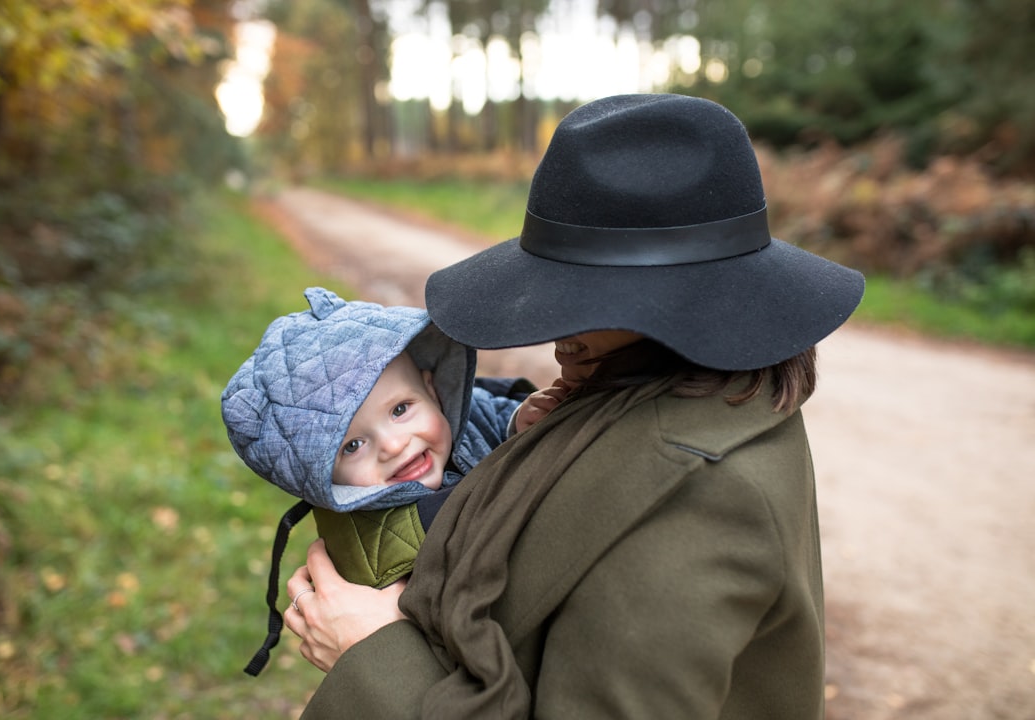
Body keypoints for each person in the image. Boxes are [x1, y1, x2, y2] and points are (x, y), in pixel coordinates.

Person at [283, 93, 866, 719]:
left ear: (676, 303)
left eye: (579, 295)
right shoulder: (699, 398)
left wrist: (370, 652)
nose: (556, 333)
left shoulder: (695, 497)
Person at [220, 287, 544, 675]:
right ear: (322, 475)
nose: (393, 445)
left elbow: (482, 408)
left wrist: (518, 422)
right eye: (353, 445)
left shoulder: (457, 419)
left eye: (400, 409)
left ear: (431, 389)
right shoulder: (380, 548)